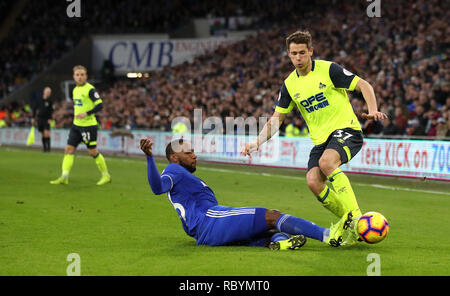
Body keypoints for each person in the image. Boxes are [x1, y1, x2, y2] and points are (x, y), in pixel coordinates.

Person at [241, 31, 387, 245]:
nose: (298, 58)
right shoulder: (290, 84)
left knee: (326, 162)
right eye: (293, 54)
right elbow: (276, 119)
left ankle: (356, 221)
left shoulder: (329, 70)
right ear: (288, 55)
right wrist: (256, 142)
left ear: (310, 52)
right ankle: (351, 223)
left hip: (347, 130)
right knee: (313, 181)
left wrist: (372, 109)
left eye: (302, 52)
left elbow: (364, 85)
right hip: (321, 140)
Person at [140, 138, 353, 249]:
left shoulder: (180, 174)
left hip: (207, 228)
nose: (194, 155)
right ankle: (329, 235)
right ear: (175, 158)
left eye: (193, 151)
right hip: (210, 221)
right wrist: (150, 158)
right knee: (272, 216)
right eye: (188, 153)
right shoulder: (173, 170)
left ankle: (280, 243)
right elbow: (158, 187)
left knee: (270, 230)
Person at [50, 65, 111, 185]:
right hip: (76, 125)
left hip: (88, 126)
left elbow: (100, 105)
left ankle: (106, 175)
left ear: (86, 76)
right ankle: (64, 176)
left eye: (82, 75)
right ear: (74, 76)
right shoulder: (75, 90)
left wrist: (87, 113)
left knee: (92, 152)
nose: (80, 77)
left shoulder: (90, 89)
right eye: (77, 75)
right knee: (68, 150)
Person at [32, 87, 53, 152]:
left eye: (49, 92)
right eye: (47, 92)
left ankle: (48, 149)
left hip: (47, 119)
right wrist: (33, 117)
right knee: (43, 133)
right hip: (40, 118)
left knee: (47, 133)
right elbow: (34, 109)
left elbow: (51, 111)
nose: (48, 93)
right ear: (44, 92)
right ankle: (44, 148)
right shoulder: (39, 100)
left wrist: (50, 118)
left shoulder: (50, 101)